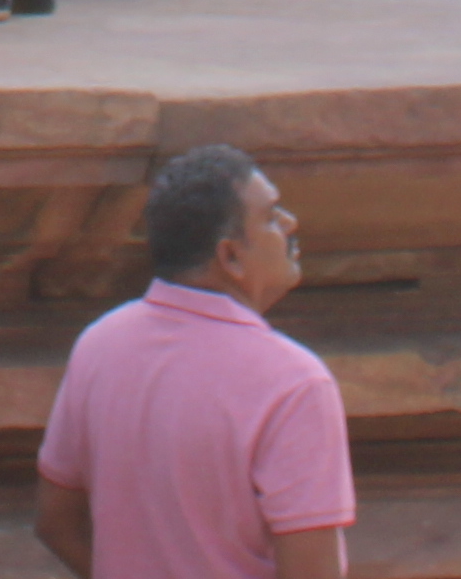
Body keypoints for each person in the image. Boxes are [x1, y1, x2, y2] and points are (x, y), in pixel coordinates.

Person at [36, 145, 349, 579]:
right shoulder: (293, 383)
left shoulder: (99, 345)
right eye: (271, 216)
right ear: (230, 257)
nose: (290, 224)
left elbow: (56, 524)